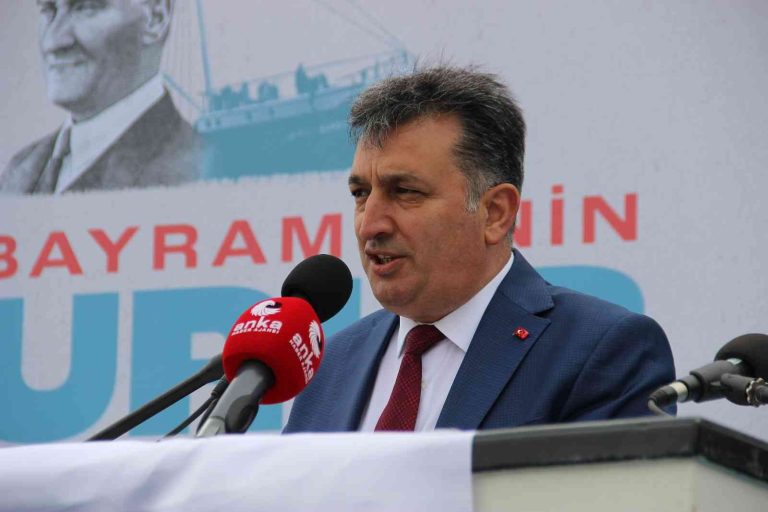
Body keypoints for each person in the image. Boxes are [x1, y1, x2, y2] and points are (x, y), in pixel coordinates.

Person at [284, 66, 675, 433]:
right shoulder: (328, 366)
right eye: (360, 194)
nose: (369, 225)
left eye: (405, 192)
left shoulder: (601, 350)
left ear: (495, 213)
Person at [0, 0, 204, 195]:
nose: (52, 41)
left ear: (155, 17)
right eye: (48, 8)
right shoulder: (20, 169)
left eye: (86, 7)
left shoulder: (198, 172)